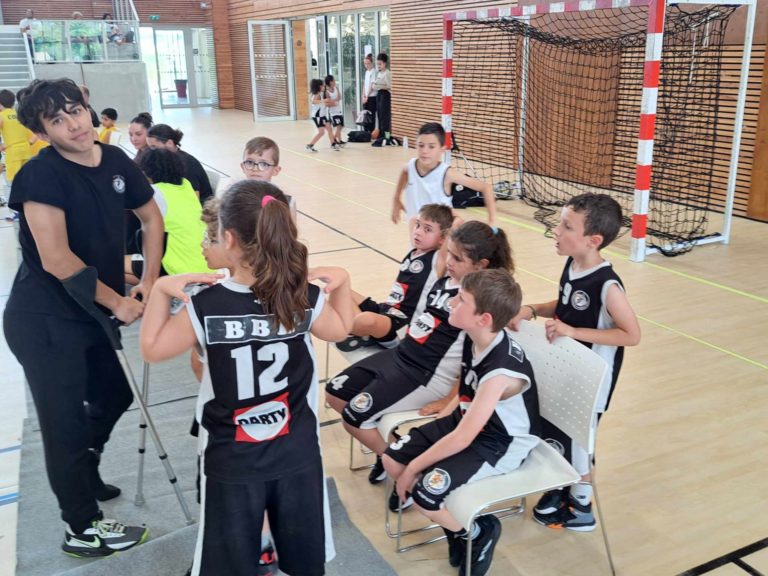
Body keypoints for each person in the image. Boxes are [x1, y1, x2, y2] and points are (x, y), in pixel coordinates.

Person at [139, 179, 355, 576]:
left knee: (229, 561)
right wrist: (343, 278)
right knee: (303, 559)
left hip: (232, 459)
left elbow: (152, 348)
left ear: (230, 239)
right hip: (297, 451)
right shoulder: (302, 294)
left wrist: (160, 290)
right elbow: (342, 328)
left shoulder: (204, 304)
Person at [2, 78, 164, 557]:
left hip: (90, 312)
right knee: (64, 423)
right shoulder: (40, 176)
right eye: (57, 120)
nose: (73, 124)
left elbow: (151, 218)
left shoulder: (114, 159)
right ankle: (81, 527)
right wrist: (118, 301)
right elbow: (56, 259)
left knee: (114, 393)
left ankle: (83, 466)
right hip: (45, 320)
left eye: (75, 110)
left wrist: (149, 279)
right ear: (41, 133)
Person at [325, 221, 513, 497]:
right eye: (448, 253)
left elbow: (474, 361)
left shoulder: (476, 304)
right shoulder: (445, 280)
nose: (449, 261)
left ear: (481, 265)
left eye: (457, 258)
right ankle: (392, 454)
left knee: (353, 417)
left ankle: (404, 470)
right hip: (400, 356)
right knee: (334, 393)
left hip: (425, 375)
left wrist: (450, 398)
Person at [383, 268, 541, 576]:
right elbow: (465, 391)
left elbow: (463, 438)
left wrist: (414, 469)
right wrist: (443, 415)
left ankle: (478, 532)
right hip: (468, 420)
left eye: (461, 300)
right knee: (392, 459)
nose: (452, 302)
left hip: (499, 443)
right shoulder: (475, 335)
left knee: (424, 495)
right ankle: (457, 530)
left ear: (483, 318)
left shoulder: (500, 372)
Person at [509, 192, 641, 531]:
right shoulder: (574, 264)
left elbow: (631, 334)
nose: (556, 230)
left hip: (591, 381)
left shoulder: (608, 285)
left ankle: (581, 507)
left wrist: (574, 331)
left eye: (567, 226)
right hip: (566, 371)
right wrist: (533, 309)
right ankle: (561, 487)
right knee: (558, 431)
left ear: (593, 240)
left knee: (581, 443)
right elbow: (566, 303)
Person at [337, 202, 453, 354]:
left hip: (402, 323)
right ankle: (364, 333)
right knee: (339, 290)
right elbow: (413, 219)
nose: (418, 232)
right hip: (387, 310)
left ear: (443, 238)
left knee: (366, 320)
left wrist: (449, 216)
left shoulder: (437, 259)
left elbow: (456, 227)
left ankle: (359, 330)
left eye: (428, 229)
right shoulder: (415, 250)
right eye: (418, 226)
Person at [125, 148, 212, 284]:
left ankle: (155, 285)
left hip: (176, 266)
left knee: (109, 265)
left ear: (147, 172)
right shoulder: (186, 184)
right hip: (205, 264)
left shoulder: (153, 192)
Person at [392, 122, 497, 230]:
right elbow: (404, 171)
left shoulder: (447, 173)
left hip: (442, 235)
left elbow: (486, 187)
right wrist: (396, 199)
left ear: (442, 149)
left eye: (431, 146)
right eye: (421, 145)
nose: (425, 151)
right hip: (417, 233)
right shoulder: (410, 167)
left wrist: (492, 223)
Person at [146, 124, 214, 204]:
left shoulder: (186, 164)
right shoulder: (166, 162)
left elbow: (194, 200)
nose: (150, 152)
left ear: (170, 143)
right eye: (149, 147)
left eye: (154, 147)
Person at [0, 89, 32, 184]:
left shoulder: (1, 116)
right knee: (27, 179)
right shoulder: (19, 114)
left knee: (15, 182)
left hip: (13, 152)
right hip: (26, 149)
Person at [306, 79, 338, 152]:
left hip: (322, 115)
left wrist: (330, 103)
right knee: (321, 132)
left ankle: (333, 144)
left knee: (329, 128)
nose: (324, 87)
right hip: (318, 116)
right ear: (319, 86)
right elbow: (314, 101)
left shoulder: (321, 94)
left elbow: (322, 104)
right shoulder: (316, 94)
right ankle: (310, 145)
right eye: (323, 85)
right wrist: (324, 101)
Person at [371, 53, 393, 146]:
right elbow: (375, 85)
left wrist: (381, 85)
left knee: (385, 119)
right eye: (377, 64)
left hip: (385, 95)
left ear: (385, 63)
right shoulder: (379, 73)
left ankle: (386, 137)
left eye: (380, 64)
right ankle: (381, 136)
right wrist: (376, 85)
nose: (378, 66)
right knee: (379, 116)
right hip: (379, 95)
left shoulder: (388, 73)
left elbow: (390, 86)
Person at [324, 75, 345, 147]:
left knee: (341, 125)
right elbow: (328, 103)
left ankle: (338, 140)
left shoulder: (336, 88)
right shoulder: (327, 92)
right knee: (339, 126)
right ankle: (335, 140)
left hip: (339, 110)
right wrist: (334, 102)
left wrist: (333, 101)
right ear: (330, 82)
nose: (335, 81)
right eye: (333, 80)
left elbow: (339, 97)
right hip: (333, 112)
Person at [362, 54, 377, 134]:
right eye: (365, 63)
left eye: (368, 63)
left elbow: (372, 86)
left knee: (371, 115)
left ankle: (371, 132)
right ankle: (365, 132)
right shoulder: (366, 72)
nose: (366, 65)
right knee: (365, 115)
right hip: (366, 97)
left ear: (372, 63)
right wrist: (363, 95)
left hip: (372, 97)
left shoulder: (374, 72)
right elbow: (365, 84)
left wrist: (367, 96)